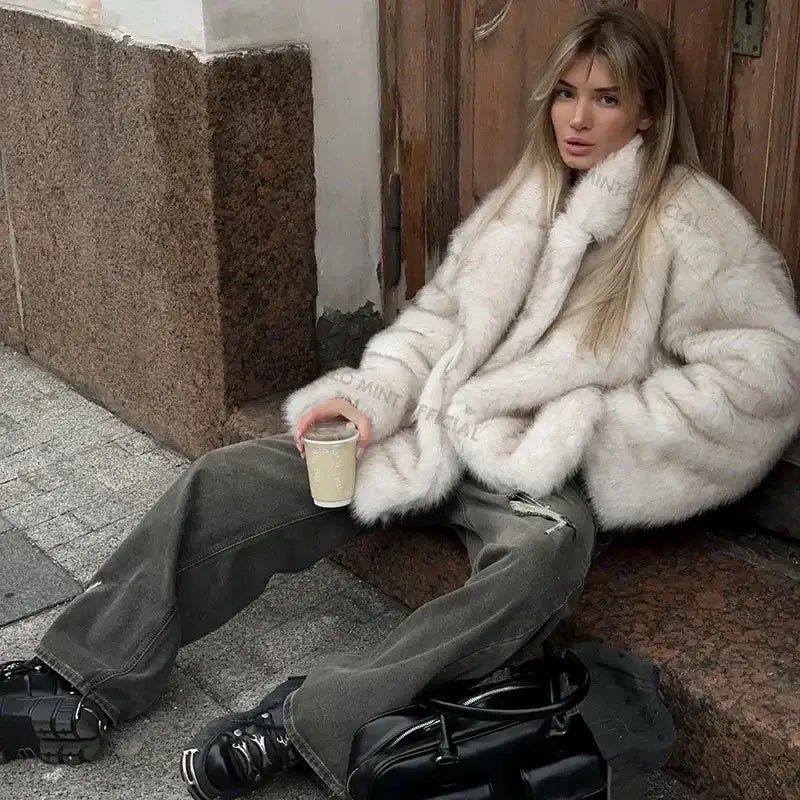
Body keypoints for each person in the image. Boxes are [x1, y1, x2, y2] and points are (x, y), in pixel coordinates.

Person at [2, 6, 799, 799]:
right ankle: (76, 678)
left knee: (540, 561)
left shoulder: (689, 221)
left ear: (648, 112)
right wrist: (371, 402)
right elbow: (441, 319)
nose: (577, 118)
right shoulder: (528, 198)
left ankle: (311, 720)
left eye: (606, 98)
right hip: (434, 435)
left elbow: (764, 373)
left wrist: (588, 429)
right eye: (564, 94)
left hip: (540, 479)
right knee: (234, 476)